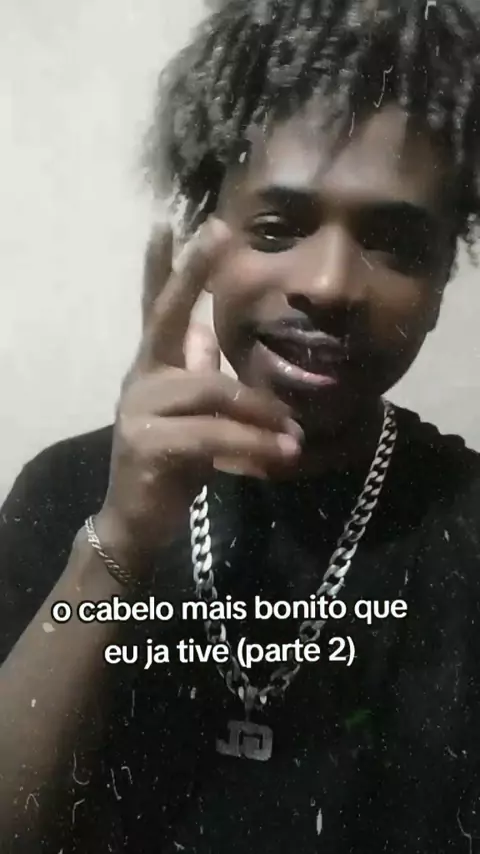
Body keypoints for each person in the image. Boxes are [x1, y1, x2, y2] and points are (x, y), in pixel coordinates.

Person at [2, 0, 480, 850]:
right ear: (203, 231)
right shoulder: (65, 492)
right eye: (277, 226)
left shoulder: (465, 529)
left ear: (443, 277)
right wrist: (121, 538)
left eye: (396, 243)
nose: (329, 285)